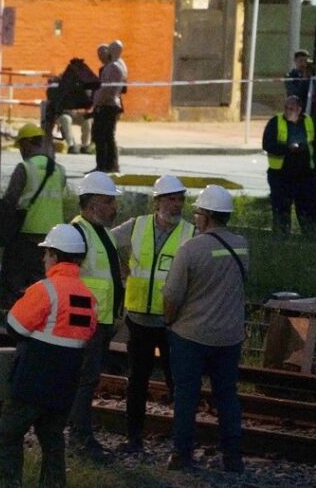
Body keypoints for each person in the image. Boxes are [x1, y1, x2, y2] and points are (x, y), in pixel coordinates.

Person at [0, 224, 98, 488]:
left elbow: (14, 326)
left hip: (33, 376)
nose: (43, 259)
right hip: (66, 380)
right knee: (52, 438)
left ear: (55, 255)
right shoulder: (87, 296)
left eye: (46, 253)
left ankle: (8, 484)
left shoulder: (45, 289)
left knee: (9, 434)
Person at [162, 185, 248, 473]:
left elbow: (172, 295)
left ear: (208, 216)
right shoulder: (241, 245)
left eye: (198, 212)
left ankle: (181, 454)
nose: (195, 217)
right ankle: (233, 457)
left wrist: (170, 321)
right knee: (227, 395)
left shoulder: (190, 248)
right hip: (229, 336)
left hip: (191, 335)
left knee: (186, 395)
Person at [110, 174, 194, 453]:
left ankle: (181, 446)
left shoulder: (190, 233)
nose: (177, 205)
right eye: (171, 199)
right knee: (137, 382)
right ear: (157, 201)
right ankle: (133, 439)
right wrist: (120, 268)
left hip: (173, 323)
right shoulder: (137, 225)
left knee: (177, 383)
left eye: (180, 200)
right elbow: (106, 243)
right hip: (138, 319)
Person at [67, 171, 125, 460]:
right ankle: (79, 437)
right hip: (85, 323)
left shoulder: (100, 233)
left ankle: (80, 434)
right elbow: (67, 281)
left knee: (87, 379)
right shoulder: (77, 234)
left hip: (100, 321)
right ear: (91, 204)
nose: (114, 207)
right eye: (108, 201)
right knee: (84, 379)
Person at [1, 123, 66, 301]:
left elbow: (10, 200)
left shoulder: (25, 168)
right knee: (43, 278)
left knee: (15, 276)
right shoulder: (59, 169)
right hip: (53, 236)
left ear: (27, 144)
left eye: (21, 146)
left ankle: (16, 311)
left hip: (27, 233)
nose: (21, 150)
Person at [262, 95, 316, 236]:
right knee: (281, 212)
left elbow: (315, 145)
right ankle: (281, 240)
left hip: (306, 176)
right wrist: (288, 148)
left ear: (299, 109)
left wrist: (315, 166)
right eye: (286, 108)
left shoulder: (309, 122)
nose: (288, 111)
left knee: (308, 212)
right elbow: (267, 145)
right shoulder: (275, 122)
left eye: (292, 108)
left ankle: (309, 240)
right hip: (281, 176)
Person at [47, 57, 99, 154]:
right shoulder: (61, 82)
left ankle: (85, 145)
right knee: (66, 119)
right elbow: (55, 100)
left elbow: (91, 101)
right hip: (65, 113)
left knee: (87, 120)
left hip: (80, 113)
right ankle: (71, 145)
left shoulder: (85, 83)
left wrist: (87, 110)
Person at [91, 41, 126, 173]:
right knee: (104, 136)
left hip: (107, 105)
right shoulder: (116, 66)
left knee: (104, 136)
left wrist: (97, 101)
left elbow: (108, 89)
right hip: (107, 104)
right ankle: (105, 165)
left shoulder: (114, 67)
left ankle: (106, 165)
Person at [284, 49, 316, 125]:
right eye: (300, 61)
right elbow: (295, 93)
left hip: (313, 111)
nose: (303, 64)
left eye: (305, 61)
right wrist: (304, 78)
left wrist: (313, 76)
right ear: (295, 61)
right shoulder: (290, 76)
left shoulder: (313, 75)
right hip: (297, 111)